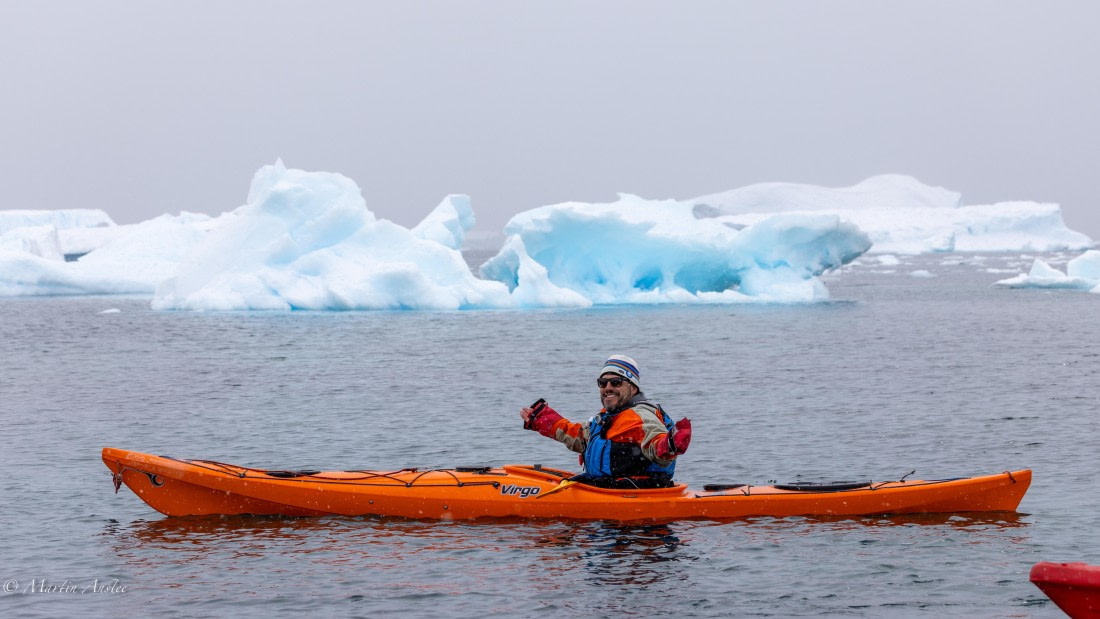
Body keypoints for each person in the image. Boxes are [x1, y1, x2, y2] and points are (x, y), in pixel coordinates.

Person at [520, 354, 692, 488]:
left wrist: (670, 444)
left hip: (635, 496)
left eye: (616, 382)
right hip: (606, 489)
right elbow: (578, 437)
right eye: (603, 383)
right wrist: (541, 419)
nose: (608, 388)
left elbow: (656, 444)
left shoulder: (641, 416)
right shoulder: (607, 417)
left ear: (633, 388)